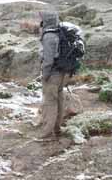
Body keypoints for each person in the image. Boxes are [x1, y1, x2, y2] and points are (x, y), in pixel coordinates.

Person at [38, 11, 84, 139]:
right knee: (59, 99)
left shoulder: (49, 36)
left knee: (50, 102)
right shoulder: (60, 32)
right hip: (63, 72)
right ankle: (57, 129)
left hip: (53, 74)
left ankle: (46, 133)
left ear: (46, 21)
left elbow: (48, 61)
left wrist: (44, 75)